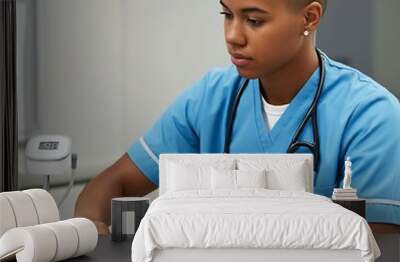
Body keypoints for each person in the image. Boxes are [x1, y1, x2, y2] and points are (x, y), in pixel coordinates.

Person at [75, 0, 400, 234]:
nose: (233, 35)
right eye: (227, 14)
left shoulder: (370, 116)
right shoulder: (210, 99)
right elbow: (109, 185)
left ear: (309, 18)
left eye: (254, 20)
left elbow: (378, 255)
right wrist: (91, 228)